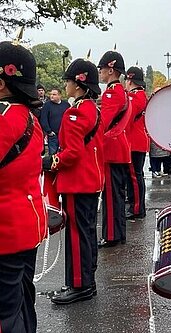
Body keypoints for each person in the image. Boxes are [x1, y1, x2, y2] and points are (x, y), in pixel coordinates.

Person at [43, 58, 104, 305]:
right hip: (89, 180)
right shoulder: (92, 109)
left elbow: (73, 153)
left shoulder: (75, 113)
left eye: (68, 81)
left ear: (78, 85)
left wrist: (51, 161)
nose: (65, 85)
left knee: (78, 235)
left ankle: (80, 285)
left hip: (78, 182)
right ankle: (87, 282)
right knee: (87, 232)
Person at [0, 40, 47, 333]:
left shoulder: (5, 118)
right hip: (26, 223)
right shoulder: (28, 116)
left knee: (5, 315)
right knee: (21, 302)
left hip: (5, 229)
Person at [97, 50, 131, 247]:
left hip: (111, 148)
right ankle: (118, 232)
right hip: (119, 146)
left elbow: (104, 122)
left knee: (110, 195)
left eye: (102, 69)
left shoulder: (111, 92)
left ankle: (111, 235)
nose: (100, 73)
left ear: (110, 70)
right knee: (116, 194)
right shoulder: (121, 91)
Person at [124, 66, 149, 221]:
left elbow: (127, 118)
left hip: (135, 141)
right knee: (134, 176)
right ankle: (136, 205)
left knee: (134, 176)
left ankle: (137, 208)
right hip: (136, 140)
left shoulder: (136, 97)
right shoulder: (136, 95)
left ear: (130, 80)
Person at [40, 88, 70, 154]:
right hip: (53, 135)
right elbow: (43, 119)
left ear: (59, 95)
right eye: (51, 94)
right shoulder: (47, 105)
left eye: (54, 94)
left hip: (64, 134)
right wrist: (49, 131)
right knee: (53, 155)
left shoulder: (66, 105)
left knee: (64, 153)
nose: (51, 96)